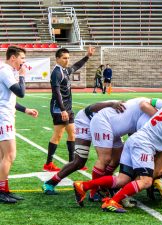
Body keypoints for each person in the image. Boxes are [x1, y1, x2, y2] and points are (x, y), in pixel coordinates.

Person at [73, 102, 162, 213]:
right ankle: (112, 201)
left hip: (135, 139)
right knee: (146, 181)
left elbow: (152, 102)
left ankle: (83, 185)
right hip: (143, 145)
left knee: (122, 179)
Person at [41, 100, 125, 195]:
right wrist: (111, 104)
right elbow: (91, 108)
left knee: (118, 157)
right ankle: (50, 183)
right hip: (86, 120)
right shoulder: (127, 108)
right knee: (80, 161)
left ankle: (104, 185)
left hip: (108, 125)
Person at [43, 46, 95, 172]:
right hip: (59, 109)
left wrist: (87, 56)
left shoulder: (65, 70)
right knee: (58, 135)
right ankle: (48, 164)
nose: (67, 60)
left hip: (68, 108)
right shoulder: (56, 72)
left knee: (73, 134)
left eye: (68, 58)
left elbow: (76, 66)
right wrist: (62, 110)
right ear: (57, 59)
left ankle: (73, 163)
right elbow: (56, 92)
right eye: (64, 58)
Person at [0, 46, 39, 203]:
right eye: (22, 58)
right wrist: (23, 76)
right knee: (10, 155)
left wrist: (25, 110)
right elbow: (20, 93)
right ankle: (2, 191)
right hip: (3, 118)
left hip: (5, 116)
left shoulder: (7, 71)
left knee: (3, 156)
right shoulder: (5, 70)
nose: (23, 62)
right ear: (13, 58)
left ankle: (4, 189)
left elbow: (7, 98)